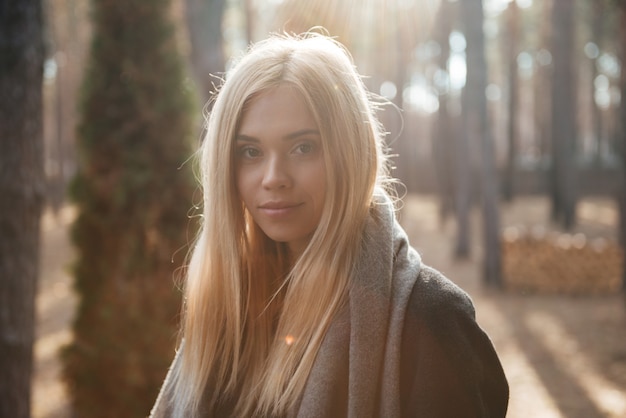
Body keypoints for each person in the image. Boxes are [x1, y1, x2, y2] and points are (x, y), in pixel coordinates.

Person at [150, 31, 508, 418]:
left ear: (349, 152)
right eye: (250, 152)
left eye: (303, 147)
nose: (274, 177)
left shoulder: (431, 319)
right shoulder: (226, 308)